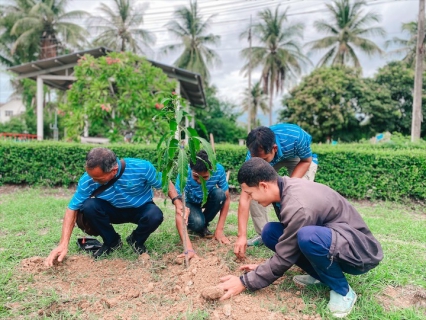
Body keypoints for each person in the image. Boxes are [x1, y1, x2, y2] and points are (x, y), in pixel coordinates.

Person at [219, 158, 383, 318]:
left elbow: (286, 254)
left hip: (358, 252)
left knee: (308, 237)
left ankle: (343, 291)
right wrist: (266, 266)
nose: (251, 198)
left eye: (250, 193)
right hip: (334, 240)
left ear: (263, 186)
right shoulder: (283, 189)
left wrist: (245, 282)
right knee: (269, 232)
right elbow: (288, 241)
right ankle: (320, 275)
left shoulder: (298, 206)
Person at [45, 147, 185, 266]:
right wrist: (63, 244)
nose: (93, 180)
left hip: (140, 208)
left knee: (155, 215)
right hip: (112, 210)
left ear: (114, 170)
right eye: (91, 176)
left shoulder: (141, 168)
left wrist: (178, 203)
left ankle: (136, 240)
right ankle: (112, 242)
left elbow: (166, 184)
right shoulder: (88, 180)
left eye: (98, 179)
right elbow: (72, 208)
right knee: (88, 206)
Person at [240, 124, 318, 248]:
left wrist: (288, 187)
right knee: (254, 189)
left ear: (274, 148)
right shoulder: (253, 156)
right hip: (274, 156)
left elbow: (306, 161)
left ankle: (298, 233)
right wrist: (241, 236)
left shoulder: (297, 137)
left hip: (298, 157)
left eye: (264, 159)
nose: (262, 164)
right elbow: (245, 195)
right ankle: (263, 234)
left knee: (298, 192)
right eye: (258, 159)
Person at [174, 150, 231, 260]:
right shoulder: (184, 171)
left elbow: (227, 198)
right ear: (191, 169)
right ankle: (198, 225)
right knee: (197, 223)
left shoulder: (218, 170)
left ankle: (203, 224)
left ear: (211, 170)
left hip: (207, 199)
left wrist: (219, 230)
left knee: (220, 195)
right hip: (190, 203)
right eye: (196, 177)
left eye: (204, 177)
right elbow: (178, 200)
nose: (200, 181)